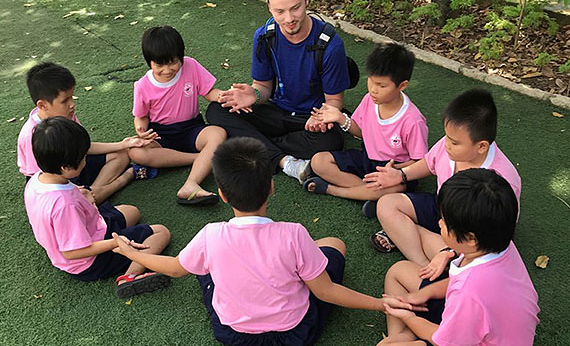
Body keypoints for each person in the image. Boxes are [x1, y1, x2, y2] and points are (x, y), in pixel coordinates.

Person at [112, 137, 420, 346]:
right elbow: (326, 292)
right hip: (294, 336)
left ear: (221, 194)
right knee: (334, 245)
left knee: (203, 269)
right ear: (272, 188)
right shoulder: (294, 234)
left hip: (233, 335)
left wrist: (128, 249)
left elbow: (176, 267)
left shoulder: (211, 235)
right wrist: (380, 304)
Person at [206, 0, 351, 183]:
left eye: (296, 8)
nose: (289, 19)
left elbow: (334, 102)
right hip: (276, 113)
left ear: (307, 0)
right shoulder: (265, 36)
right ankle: (284, 161)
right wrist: (253, 95)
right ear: (269, 8)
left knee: (331, 140)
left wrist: (321, 117)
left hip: (309, 120)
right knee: (217, 110)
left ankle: (254, 143)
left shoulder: (330, 45)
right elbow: (263, 87)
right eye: (280, 11)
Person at [378, 168, 539, 346]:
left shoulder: (468, 292)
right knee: (398, 271)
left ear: (470, 238)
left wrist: (408, 318)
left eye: (445, 222)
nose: (439, 223)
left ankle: (405, 335)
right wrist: (425, 293)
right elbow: (458, 282)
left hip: (465, 336)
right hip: (492, 326)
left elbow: (444, 340)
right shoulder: (500, 244)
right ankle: (402, 336)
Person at [365, 89, 521, 267]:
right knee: (386, 205)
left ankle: (409, 237)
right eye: (447, 137)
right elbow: (429, 163)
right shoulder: (448, 145)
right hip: (441, 208)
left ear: (481, 146)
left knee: (464, 259)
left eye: (454, 142)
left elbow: (493, 237)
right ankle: (422, 262)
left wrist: (453, 249)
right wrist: (401, 175)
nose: (447, 145)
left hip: (467, 233)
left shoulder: (503, 179)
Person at [24, 117, 171, 298]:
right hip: (88, 261)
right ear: (65, 167)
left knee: (132, 211)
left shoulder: (37, 180)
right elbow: (72, 252)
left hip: (92, 226)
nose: (86, 160)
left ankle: (122, 249)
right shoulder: (64, 205)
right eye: (83, 158)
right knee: (161, 232)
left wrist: (80, 193)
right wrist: (116, 242)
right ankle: (129, 276)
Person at [304, 42, 428, 212]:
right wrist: (340, 118)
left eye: (382, 86)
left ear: (402, 85)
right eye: (371, 81)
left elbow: (420, 161)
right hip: (367, 158)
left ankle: (334, 190)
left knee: (396, 188)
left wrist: (396, 171)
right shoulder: (369, 100)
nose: (373, 90)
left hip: (394, 169)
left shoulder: (413, 120)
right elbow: (362, 133)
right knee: (319, 161)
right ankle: (369, 195)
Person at [17, 62, 155, 204]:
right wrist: (72, 188)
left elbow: (84, 146)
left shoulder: (66, 115)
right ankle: (120, 181)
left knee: (121, 154)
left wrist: (123, 144)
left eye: (72, 96)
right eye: (65, 100)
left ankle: (91, 195)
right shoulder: (31, 135)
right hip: (54, 181)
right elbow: (42, 179)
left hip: (74, 165)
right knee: (77, 198)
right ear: (42, 105)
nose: (72, 104)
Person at [127, 25, 227, 205]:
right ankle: (202, 158)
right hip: (160, 135)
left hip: (192, 129)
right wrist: (140, 130)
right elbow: (140, 117)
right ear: (149, 62)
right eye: (159, 64)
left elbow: (209, 92)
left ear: (181, 57)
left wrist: (224, 96)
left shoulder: (191, 65)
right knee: (135, 151)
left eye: (173, 62)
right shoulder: (142, 86)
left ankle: (191, 183)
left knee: (218, 134)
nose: (167, 70)